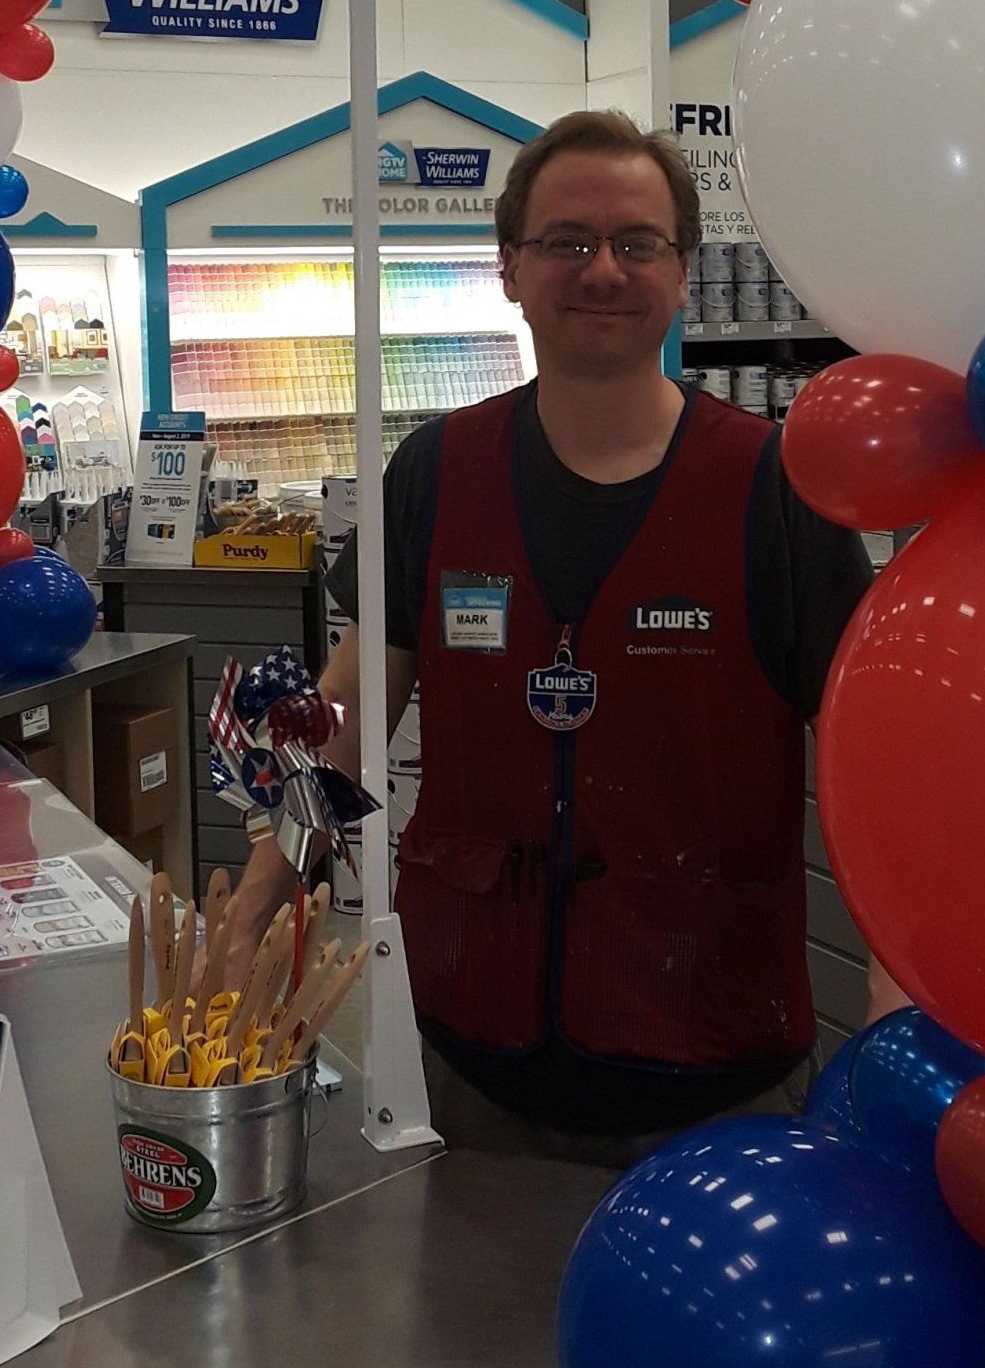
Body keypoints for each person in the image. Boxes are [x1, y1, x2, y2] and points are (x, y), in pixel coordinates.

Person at [225, 109, 872, 1165]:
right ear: (511, 270)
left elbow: (871, 783)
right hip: (469, 1066)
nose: (602, 269)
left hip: (716, 1077)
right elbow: (339, 732)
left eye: (637, 242)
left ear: (684, 270)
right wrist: (252, 913)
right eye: (567, 241)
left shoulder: (779, 490)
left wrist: (894, 1021)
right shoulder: (433, 475)